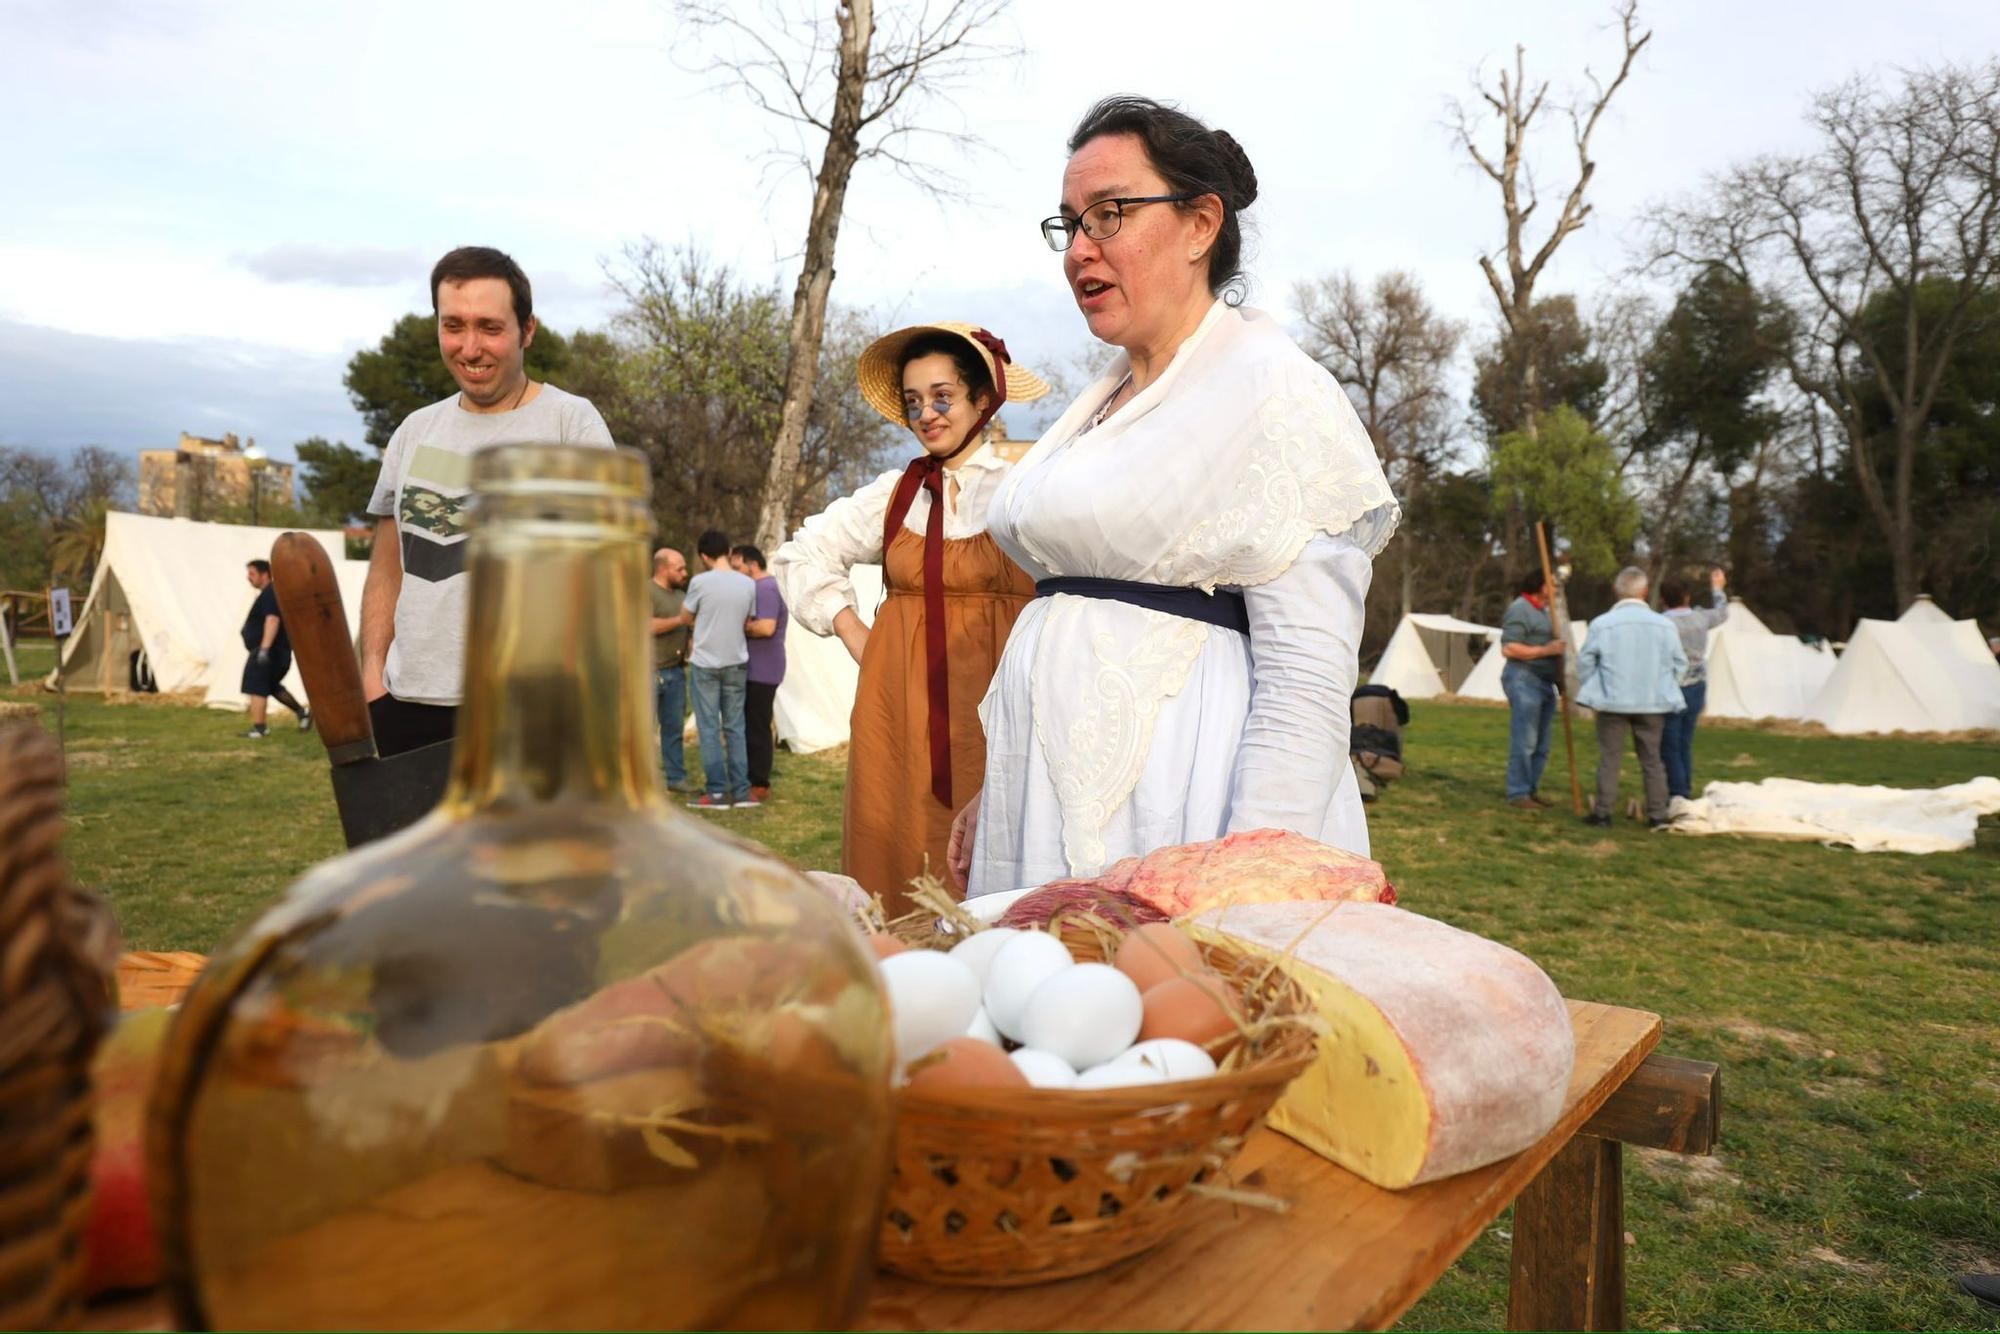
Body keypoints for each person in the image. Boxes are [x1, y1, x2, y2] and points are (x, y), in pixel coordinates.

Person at [946, 97, 1399, 897]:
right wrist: (1007, 791)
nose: (1079, 249)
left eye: (1110, 214)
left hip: (1180, 804)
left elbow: (1306, 675)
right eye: (1069, 224)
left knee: (1157, 1006)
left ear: (1200, 225)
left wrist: (1255, 877)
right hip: (1044, 801)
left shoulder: (1273, 389)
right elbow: (1073, 622)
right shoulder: (1100, 404)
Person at [772, 323, 1049, 911]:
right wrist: (855, 633)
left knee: (996, 860)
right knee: (896, 851)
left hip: (994, 707)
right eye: (914, 401)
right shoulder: (896, 494)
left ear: (982, 399)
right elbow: (802, 553)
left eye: (942, 396)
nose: (927, 413)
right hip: (898, 707)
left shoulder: (1023, 489)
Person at [359, 246, 614, 757]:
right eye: (453, 326)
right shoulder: (414, 431)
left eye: (490, 328)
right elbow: (388, 566)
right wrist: (371, 677)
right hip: (407, 708)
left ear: (528, 330)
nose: (470, 348)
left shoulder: (571, 424)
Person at [1576, 566, 1688, 829]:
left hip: (1612, 701)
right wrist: (1666, 686)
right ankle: (1658, 814)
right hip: (1652, 701)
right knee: (1652, 759)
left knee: (1610, 757)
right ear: (1646, 592)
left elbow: (1585, 662)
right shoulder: (1665, 625)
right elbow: (1680, 663)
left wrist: (1596, 687)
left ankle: (1603, 813)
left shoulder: (1602, 624)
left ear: (1616, 591)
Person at [682, 530, 758, 810]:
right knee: (735, 727)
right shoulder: (748, 584)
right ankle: (741, 792)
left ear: (704, 556)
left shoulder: (699, 582)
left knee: (709, 728)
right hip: (736, 661)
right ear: (728, 550)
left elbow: (684, 616)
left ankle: (716, 793)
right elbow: (747, 620)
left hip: (705, 663)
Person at [1498, 567, 1566, 810]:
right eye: (1552, 585)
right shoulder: (1520, 609)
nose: (1556, 590)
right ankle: (1518, 792)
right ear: (1540, 585)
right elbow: (1509, 648)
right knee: (1525, 740)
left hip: (1545, 683)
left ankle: (1530, 789)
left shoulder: (1545, 612)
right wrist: (1547, 650)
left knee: (1541, 743)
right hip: (1524, 679)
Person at [1659, 567, 1729, 804]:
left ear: (1662, 599)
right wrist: (1718, 589)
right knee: (1685, 742)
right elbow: (1722, 613)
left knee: (1669, 745)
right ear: (1687, 596)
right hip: (1698, 686)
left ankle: (1678, 792)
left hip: (1672, 687)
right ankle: (1684, 787)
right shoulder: (1700, 618)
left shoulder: (1662, 624)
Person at [731, 544, 788, 803]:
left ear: (751, 564)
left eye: (738, 567)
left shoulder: (764, 588)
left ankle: (759, 783)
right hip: (760, 667)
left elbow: (765, 628)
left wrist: (740, 626)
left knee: (757, 727)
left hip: (763, 669)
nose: (736, 573)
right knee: (754, 724)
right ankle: (750, 777)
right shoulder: (766, 586)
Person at [239, 559, 309, 738]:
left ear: (264, 575)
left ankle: (260, 728)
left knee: (256, 686)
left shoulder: (271, 592)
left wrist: (264, 649)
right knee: (271, 686)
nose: (248, 577)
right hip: (277, 651)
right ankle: (303, 713)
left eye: (252, 573)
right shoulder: (271, 593)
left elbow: (273, 619)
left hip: (269, 651)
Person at [648, 547, 693, 793]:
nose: (685, 573)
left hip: (675, 673)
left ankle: (676, 779)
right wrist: (680, 621)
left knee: (674, 729)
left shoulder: (680, 596)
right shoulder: (646, 592)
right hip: (649, 673)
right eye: (680, 568)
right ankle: (642, 782)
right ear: (663, 569)